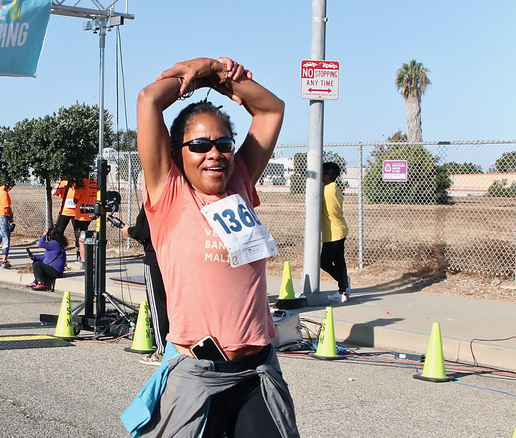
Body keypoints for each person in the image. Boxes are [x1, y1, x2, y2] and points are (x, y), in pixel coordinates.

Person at [121, 57, 298, 437]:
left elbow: (271, 109)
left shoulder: (240, 182)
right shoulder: (168, 192)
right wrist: (197, 69)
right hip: (199, 375)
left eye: (223, 143)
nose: (214, 153)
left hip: (258, 372)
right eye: (199, 145)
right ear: (176, 152)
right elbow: (149, 99)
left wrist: (221, 75)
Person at [121, 207, 169, 367]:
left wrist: (129, 231)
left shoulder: (153, 200)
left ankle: (162, 351)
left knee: (158, 306)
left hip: (155, 257)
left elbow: (143, 231)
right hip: (176, 257)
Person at [321, 161, 351, 303]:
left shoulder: (326, 190)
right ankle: (343, 290)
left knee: (324, 262)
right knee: (339, 261)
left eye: (322, 174)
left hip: (333, 232)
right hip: (340, 229)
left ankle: (344, 283)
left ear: (327, 176)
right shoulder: (336, 188)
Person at [53, 178, 96, 263]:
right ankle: (57, 254)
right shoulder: (64, 182)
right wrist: (58, 182)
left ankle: (79, 255)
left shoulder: (81, 182)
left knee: (78, 235)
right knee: (59, 232)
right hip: (65, 212)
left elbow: (78, 197)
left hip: (76, 212)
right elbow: (53, 193)